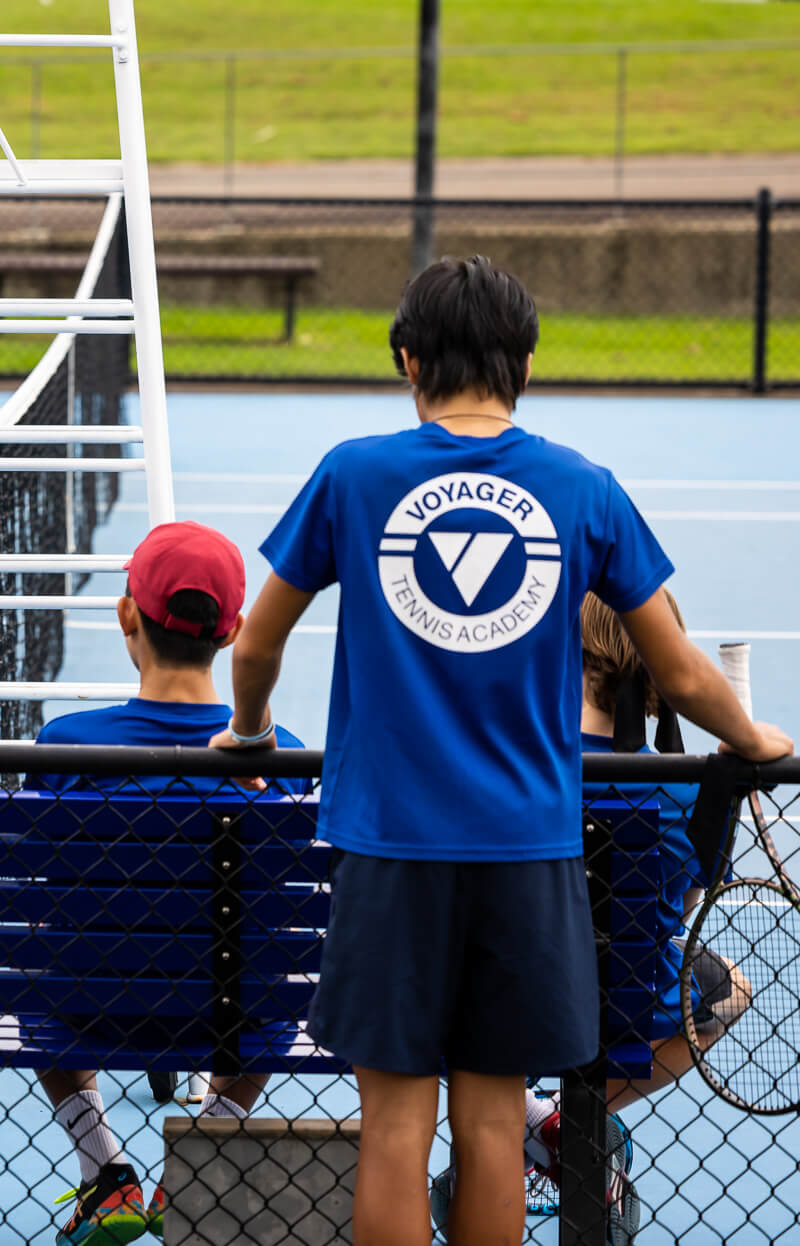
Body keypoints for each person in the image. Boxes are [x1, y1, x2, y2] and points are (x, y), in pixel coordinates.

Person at [211, 254, 791, 1246]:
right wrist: (754, 739)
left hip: (388, 850)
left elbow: (256, 643)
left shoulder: (351, 474)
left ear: (407, 359)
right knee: (489, 1124)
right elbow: (681, 671)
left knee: (394, 1128)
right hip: (526, 856)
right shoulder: (583, 488)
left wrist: (254, 731)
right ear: (524, 362)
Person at [427, 588, 755, 1230]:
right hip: (625, 1003)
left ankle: (523, 1118)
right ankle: (569, 1122)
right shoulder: (685, 786)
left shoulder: (501, 765)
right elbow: (682, 908)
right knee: (730, 989)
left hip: (491, 1002)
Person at [29, 520, 313, 1246]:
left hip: (85, 1008)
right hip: (236, 1015)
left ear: (128, 614)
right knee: (278, 994)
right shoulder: (282, 761)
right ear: (232, 630)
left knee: (33, 983)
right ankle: (199, 1155)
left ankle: (106, 1174)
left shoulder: (65, 746)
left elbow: (37, 893)